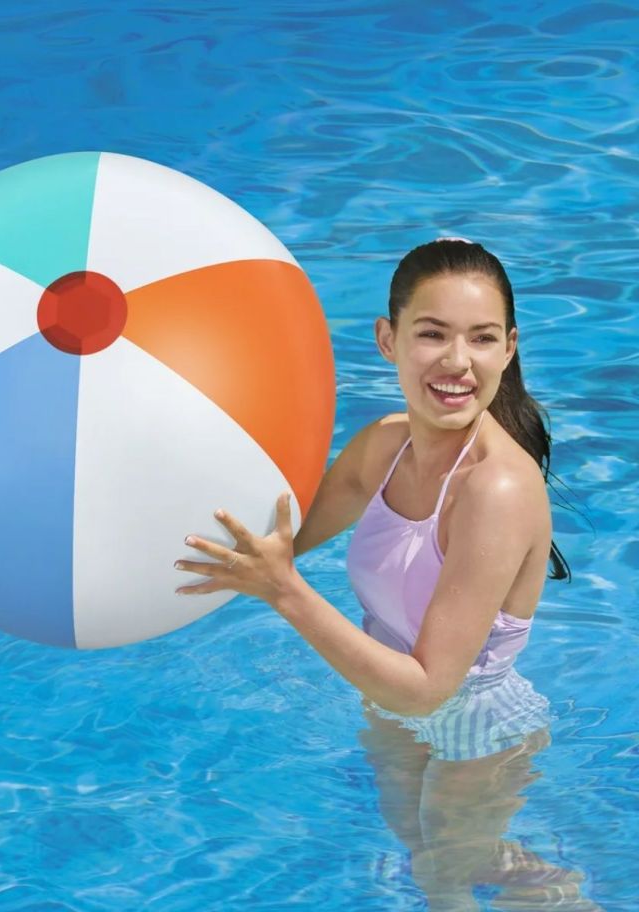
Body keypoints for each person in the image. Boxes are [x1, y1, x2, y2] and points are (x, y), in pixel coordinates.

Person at [174, 239, 601, 910]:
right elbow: (266, 539)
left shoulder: (498, 490)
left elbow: (431, 688)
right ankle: (557, 893)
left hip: (475, 726)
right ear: (387, 339)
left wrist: (286, 592)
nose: (457, 362)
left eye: (482, 339)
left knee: (442, 879)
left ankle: (566, 899)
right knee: (429, 849)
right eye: (432, 334)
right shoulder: (382, 446)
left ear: (509, 348)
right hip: (389, 698)